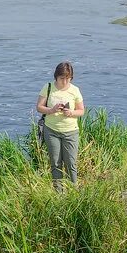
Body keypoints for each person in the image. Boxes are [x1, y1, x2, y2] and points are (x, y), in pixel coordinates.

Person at [35, 61, 84, 191]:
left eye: (68, 78)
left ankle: (73, 191)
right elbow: (39, 107)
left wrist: (71, 112)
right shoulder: (48, 87)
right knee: (56, 163)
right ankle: (58, 193)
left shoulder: (75, 90)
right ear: (56, 76)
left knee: (71, 163)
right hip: (51, 130)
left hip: (71, 132)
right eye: (62, 78)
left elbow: (81, 111)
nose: (65, 81)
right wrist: (52, 110)